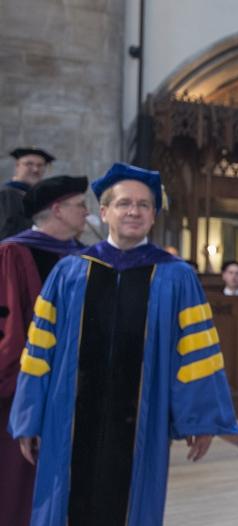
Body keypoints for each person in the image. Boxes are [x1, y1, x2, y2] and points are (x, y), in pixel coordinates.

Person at [8, 163, 238, 525]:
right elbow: (39, 351)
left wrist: (201, 418)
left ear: (154, 215)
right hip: (65, 420)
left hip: (140, 423)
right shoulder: (69, 272)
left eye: (144, 205)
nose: (134, 211)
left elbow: (196, 352)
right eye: (124, 204)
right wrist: (28, 416)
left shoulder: (177, 276)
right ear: (103, 213)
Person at [0, 175, 88, 526]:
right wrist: (20, 390)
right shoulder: (12, 253)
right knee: (19, 482)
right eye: (79, 205)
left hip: (77, 389)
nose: (87, 212)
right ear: (57, 210)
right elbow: (7, 326)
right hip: (24, 389)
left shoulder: (85, 258)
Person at [0, 147, 55, 239]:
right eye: (29, 164)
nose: (35, 169)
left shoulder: (42, 198)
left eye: (40, 165)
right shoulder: (6, 194)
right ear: (17, 166)